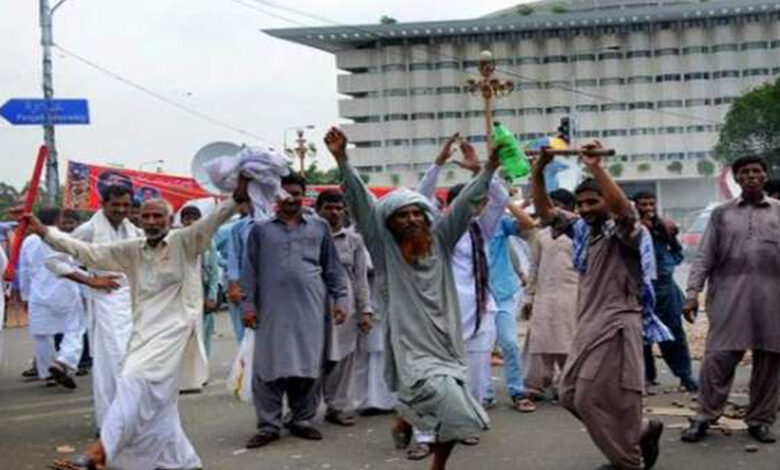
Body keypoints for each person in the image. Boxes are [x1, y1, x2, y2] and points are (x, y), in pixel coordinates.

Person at [32, 184, 247, 470]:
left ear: (169, 220)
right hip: (142, 330)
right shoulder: (133, 249)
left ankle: (99, 453)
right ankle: (180, 460)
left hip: (175, 332)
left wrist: (237, 195)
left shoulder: (185, 241)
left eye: (158, 216)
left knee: (133, 380)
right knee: (159, 399)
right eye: (146, 216)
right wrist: (44, 232)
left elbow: (215, 219)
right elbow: (88, 252)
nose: (151, 222)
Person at [325, 127, 493, 470]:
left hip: (446, 340)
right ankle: (407, 414)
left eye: (417, 213)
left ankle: (431, 454)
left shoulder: (441, 240)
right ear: (390, 222)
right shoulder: (383, 246)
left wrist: (489, 170)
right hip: (408, 343)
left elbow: (464, 206)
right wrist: (342, 159)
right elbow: (361, 202)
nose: (412, 219)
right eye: (402, 215)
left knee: (454, 410)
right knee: (446, 402)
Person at [533, 143, 670, 470]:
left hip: (617, 323)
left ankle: (628, 462)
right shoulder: (584, 230)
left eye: (592, 202)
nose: (584, 209)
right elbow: (546, 212)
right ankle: (638, 433)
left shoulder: (624, 232)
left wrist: (596, 166)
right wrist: (539, 169)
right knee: (568, 395)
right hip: (588, 324)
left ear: (606, 200)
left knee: (592, 398)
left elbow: (624, 211)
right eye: (580, 203)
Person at [242, 173, 349, 449]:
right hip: (271, 309)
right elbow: (249, 271)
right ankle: (268, 425)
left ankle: (302, 419)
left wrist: (341, 301)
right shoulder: (260, 230)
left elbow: (333, 268)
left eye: (296, 194)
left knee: (309, 364)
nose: (290, 199)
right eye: (285, 193)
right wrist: (248, 306)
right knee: (268, 366)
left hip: (311, 308)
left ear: (304, 195)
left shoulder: (319, 227)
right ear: (277, 196)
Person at [681, 156, 780, 444]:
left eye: (756, 171)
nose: (751, 176)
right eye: (744, 172)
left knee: (770, 360)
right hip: (729, 297)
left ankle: (760, 420)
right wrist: (692, 294)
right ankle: (704, 417)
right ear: (736, 179)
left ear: (765, 175)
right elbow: (704, 257)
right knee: (718, 358)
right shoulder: (721, 214)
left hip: (772, 299)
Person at [45, 184, 143, 430]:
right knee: (113, 363)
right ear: (103, 204)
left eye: (126, 204)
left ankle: (130, 421)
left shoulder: (133, 230)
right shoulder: (88, 229)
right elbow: (54, 261)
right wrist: (90, 280)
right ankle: (111, 424)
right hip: (106, 301)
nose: (121, 209)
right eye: (115, 204)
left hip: (132, 301)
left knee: (133, 362)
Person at [316, 189, 374, 427]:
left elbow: (360, 278)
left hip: (344, 308)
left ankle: (336, 407)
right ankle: (302, 410)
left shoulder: (354, 241)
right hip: (313, 305)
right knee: (312, 357)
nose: (334, 213)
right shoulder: (308, 235)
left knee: (343, 358)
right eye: (328, 208)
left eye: (338, 208)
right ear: (318, 210)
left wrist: (365, 310)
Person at [632, 191, 698, 392]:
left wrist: (666, 267)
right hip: (639, 288)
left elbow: (677, 252)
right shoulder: (630, 230)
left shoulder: (664, 228)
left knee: (673, 333)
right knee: (640, 336)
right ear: (635, 206)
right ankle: (646, 377)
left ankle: (685, 375)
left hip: (665, 289)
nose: (648, 209)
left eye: (651, 204)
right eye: (643, 205)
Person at [520, 189, 579, 403]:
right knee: (540, 339)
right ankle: (535, 385)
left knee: (569, 340)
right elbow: (534, 267)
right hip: (544, 295)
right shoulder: (541, 234)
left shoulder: (580, 232)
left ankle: (567, 385)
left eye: (557, 205)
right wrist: (529, 297)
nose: (551, 210)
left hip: (573, 293)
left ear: (570, 208)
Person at [18, 208, 86, 389]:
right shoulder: (62, 237)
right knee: (75, 329)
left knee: (42, 335)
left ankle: (48, 374)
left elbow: (23, 270)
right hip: (65, 289)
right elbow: (76, 264)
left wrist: (25, 296)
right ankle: (64, 361)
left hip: (38, 293)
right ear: (58, 219)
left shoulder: (29, 241)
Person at [180, 205, 221, 359]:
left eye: (194, 219)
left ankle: (202, 365)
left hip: (203, 292)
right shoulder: (177, 241)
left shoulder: (208, 241)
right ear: (182, 221)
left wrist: (212, 295)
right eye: (187, 219)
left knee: (204, 333)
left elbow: (214, 272)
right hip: (183, 293)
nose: (191, 222)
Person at [216, 204, 253, 344]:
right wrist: (226, 265)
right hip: (238, 285)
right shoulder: (233, 229)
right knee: (242, 332)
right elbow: (211, 250)